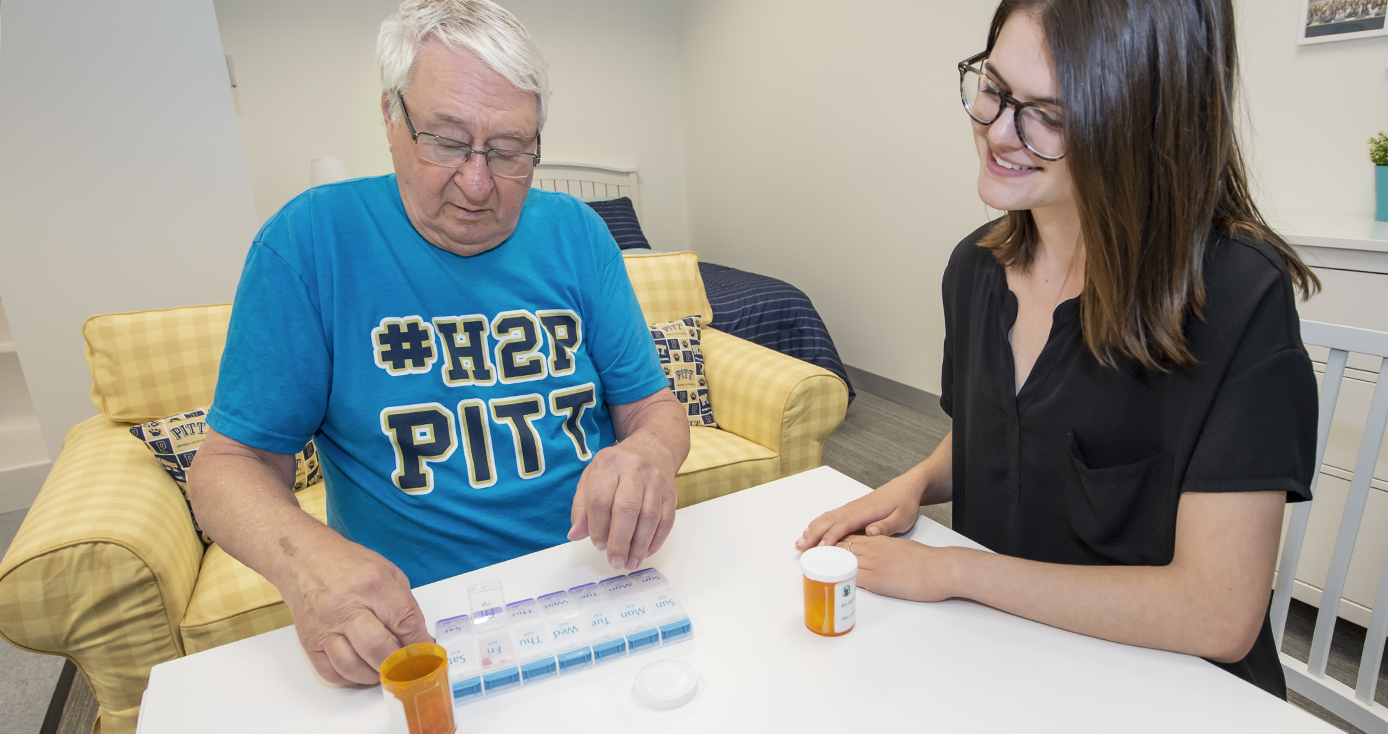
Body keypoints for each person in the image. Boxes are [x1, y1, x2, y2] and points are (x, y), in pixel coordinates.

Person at [798, 0, 1319, 698]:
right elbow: (1002, 434)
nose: (997, 131)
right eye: (993, 88)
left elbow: (1217, 613)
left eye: (1051, 116)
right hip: (1008, 657)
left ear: (1146, 131)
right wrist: (916, 483)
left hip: (1168, 689)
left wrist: (956, 572)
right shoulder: (974, 269)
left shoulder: (1237, 295)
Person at [187, 0, 690, 688]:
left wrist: (648, 452)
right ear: (391, 117)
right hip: (417, 622)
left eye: (511, 152)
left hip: (596, 583)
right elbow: (226, 466)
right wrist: (308, 562)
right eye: (449, 143)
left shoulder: (577, 231)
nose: (478, 184)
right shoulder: (310, 242)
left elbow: (651, 406)